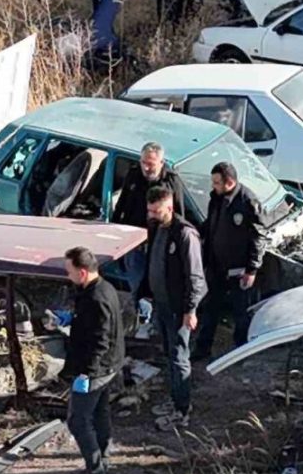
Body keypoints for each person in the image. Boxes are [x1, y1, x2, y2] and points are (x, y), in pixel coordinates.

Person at [139, 185, 206, 430]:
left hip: (179, 309)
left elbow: (195, 277)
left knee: (179, 357)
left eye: (156, 211)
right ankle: (176, 397)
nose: (152, 215)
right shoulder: (158, 228)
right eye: (150, 211)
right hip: (163, 304)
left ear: (170, 207)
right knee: (169, 353)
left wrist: (190, 310)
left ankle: (182, 410)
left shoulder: (185, 234)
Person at [58, 247, 124, 474]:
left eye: (70, 272)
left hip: (97, 369)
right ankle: (101, 463)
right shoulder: (103, 288)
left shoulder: (96, 299)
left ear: (83, 272)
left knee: (78, 420)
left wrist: (86, 373)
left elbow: (100, 340)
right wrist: (72, 320)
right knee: (99, 413)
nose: (68, 276)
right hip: (109, 365)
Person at [194, 162, 266, 360]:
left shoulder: (247, 201)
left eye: (217, 182)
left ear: (230, 182)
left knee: (240, 312)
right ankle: (202, 348)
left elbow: (259, 237)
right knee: (210, 309)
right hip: (216, 266)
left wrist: (252, 269)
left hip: (239, 269)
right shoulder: (216, 199)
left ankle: (242, 352)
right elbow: (211, 224)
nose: (213, 186)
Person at [112, 142, 186, 295]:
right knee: (136, 285)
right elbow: (121, 206)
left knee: (157, 288)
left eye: (150, 164)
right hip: (134, 244)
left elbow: (179, 215)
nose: (146, 168)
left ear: (161, 163)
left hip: (159, 244)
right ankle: (141, 313)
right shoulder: (134, 175)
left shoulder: (171, 182)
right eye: (143, 163)